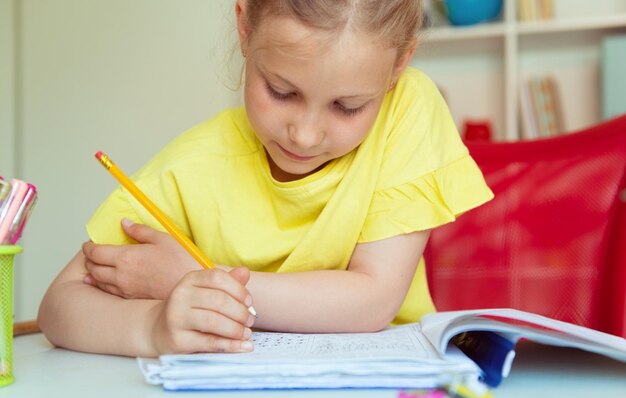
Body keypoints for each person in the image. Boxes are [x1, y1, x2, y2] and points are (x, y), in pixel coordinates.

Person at [38, 0, 493, 358]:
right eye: (282, 92)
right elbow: (59, 307)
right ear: (245, 29)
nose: (306, 134)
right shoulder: (193, 165)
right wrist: (152, 327)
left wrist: (200, 279)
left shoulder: (406, 109)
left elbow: (373, 299)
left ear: (399, 66)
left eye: (348, 107)